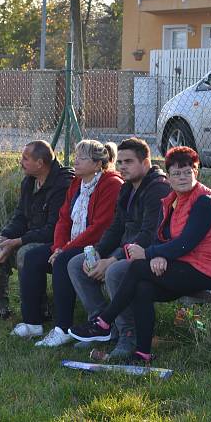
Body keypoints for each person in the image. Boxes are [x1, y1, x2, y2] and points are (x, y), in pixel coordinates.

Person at [69, 146, 211, 363]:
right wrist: (159, 255)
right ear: (169, 176)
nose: (182, 177)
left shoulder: (204, 202)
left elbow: (185, 243)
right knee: (143, 287)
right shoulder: (173, 199)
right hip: (181, 265)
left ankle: (104, 322)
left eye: (187, 172)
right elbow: (164, 235)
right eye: (176, 173)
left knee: (137, 267)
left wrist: (150, 254)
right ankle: (142, 353)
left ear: (196, 173)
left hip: (205, 271)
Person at [67, 137, 170, 360]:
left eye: (129, 161)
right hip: (124, 249)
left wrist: (112, 260)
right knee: (77, 263)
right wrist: (98, 251)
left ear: (145, 163)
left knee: (115, 272)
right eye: (120, 162)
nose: (123, 166)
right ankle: (102, 327)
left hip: (148, 255)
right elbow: (116, 228)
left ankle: (128, 334)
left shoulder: (158, 189)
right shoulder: (127, 188)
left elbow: (148, 235)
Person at [12, 140, 123, 346]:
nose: (76, 161)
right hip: (70, 243)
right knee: (33, 257)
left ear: (98, 164)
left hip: (96, 246)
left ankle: (62, 328)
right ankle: (32, 322)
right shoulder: (76, 183)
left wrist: (64, 250)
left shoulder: (111, 184)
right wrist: (57, 247)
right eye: (76, 156)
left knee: (63, 261)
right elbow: (63, 219)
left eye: (82, 158)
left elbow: (100, 227)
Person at [0, 140, 74, 320]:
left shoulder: (62, 185)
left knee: (25, 253)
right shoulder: (29, 182)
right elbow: (20, 217)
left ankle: (40, 309)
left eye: (25, 158)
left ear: (40, 163)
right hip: (32, 237)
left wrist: (17, 241)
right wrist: (5, 236)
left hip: (57, 245)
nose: (20, 162)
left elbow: (54, 229)